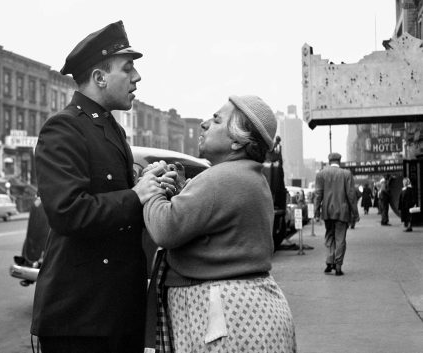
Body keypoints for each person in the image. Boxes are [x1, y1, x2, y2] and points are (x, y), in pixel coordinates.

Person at [31, 21, 174, 353]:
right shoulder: (64, 128)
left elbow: (113, 201)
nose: (137, 78)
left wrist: (150, 186)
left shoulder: (111, 129)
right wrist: (136, 195)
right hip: (80, 318)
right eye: (128, 69)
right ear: (99, 78)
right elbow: (68, 212)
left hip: (116, 310)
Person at [143, 95, 296, 352]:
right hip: (252, 311)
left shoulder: (219, 179)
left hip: (223, 318)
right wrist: (182, 192)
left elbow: (165, 228)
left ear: (237, 141)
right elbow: (209, 216)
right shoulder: (248, 176)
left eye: (215, 120)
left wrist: (151, 188)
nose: (204, 124)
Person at [314, 152, 359, 276]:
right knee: (340, 238)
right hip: (342, 212)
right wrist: (355, 213)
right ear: (339, 161)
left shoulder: (321, 174)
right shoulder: (346, 174)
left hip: (327, 211)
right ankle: (338, 266)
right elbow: (351, 195)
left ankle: (329, 261)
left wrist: (316, 211)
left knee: (329, 236)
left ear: (329, 161)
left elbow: (318, 194)